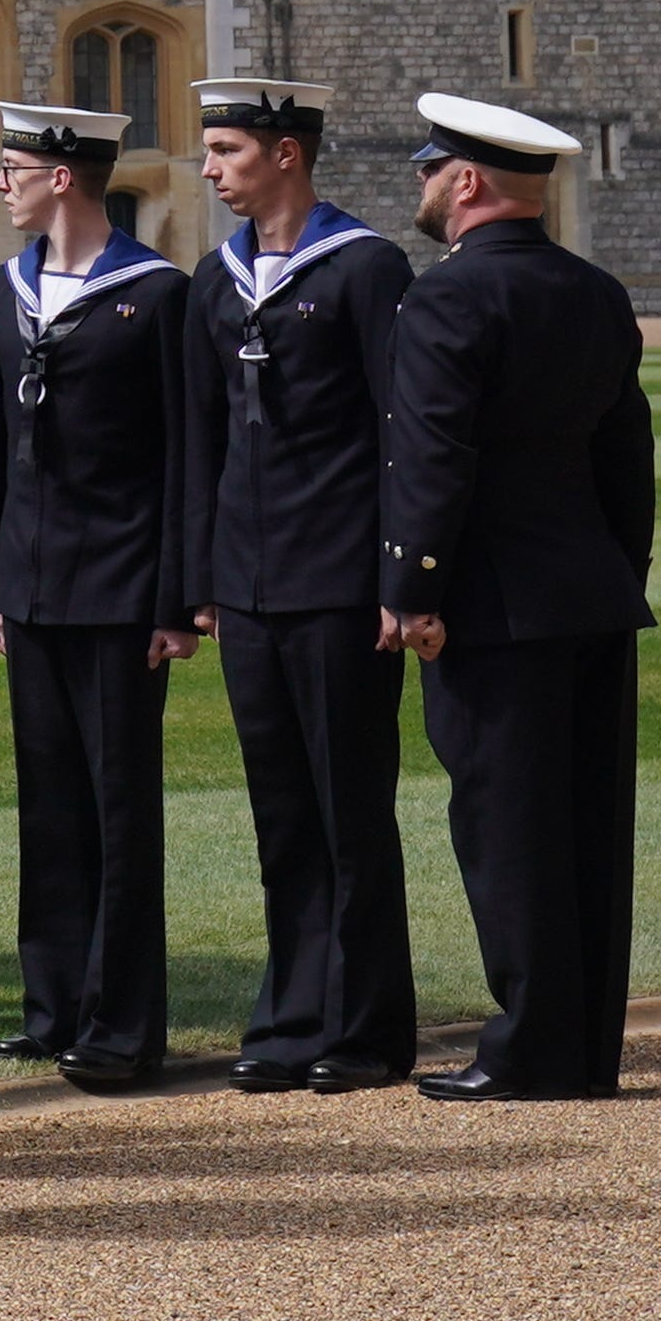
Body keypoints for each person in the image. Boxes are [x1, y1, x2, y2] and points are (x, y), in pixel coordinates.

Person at [388, 98, 657, 1100]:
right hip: (590, 596)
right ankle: (585, 1048)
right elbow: (626, 454)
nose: (421, 189)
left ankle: (531, 1048)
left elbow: (430, 459)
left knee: (509, 834)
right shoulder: (594, 291)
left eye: (429, 172)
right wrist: (618, 572)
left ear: (465, 183)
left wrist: (411, 588)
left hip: (493, 611)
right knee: (588, 828)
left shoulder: (447, 300)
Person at [0, 99, 209, 1091]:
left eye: (13, 167)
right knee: (49, 806)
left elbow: (184, 455)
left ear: (62, 175)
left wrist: (174, 600)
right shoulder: (1, 291)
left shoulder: (157, 296)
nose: (1, 183)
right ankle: (55, 1004)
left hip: (120, 592)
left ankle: (122, 1023)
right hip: (32, 589)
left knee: (119, 811)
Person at [190, 79, 417, 1092]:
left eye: (229, 149)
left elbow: (401, 433)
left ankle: (365, 1027)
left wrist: (396, 577)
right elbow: (200, 440)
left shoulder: (367, 266)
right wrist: (201, 577)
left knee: (350, 812)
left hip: (337, 584)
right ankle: (288, 1018)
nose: (209, 168)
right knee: (280, 813)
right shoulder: (214, 276)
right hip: (248, 587)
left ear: (288, 153)